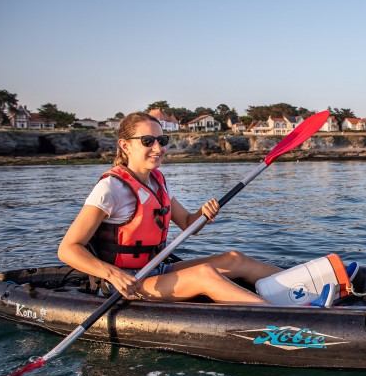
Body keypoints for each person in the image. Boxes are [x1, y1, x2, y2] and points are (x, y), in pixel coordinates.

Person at [58, 112, 289, 305]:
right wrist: (112, 274)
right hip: (128, 282)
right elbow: (68, 249)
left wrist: (203, 214)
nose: (158, 148)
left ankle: (305, 285)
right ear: (125, 145)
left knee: (234, 259)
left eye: (162, 140)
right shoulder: (111, 188)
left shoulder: (158, 181)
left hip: (156, 269)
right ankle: (288, 320)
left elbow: (189, 224)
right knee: (205, 274)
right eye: (148, 141)